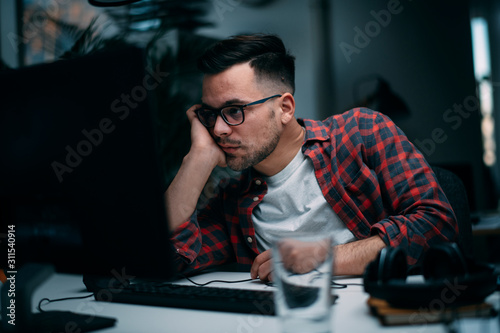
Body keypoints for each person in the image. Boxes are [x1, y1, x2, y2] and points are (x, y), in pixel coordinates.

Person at [165, 33, 457, 281]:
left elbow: (437, 226)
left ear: (285, 108)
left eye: (234, 111)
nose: (218, 129)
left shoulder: (362, 132)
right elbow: (164, 261)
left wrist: (321, 257)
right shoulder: (232, 199)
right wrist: (197, 157)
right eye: (210, 114)